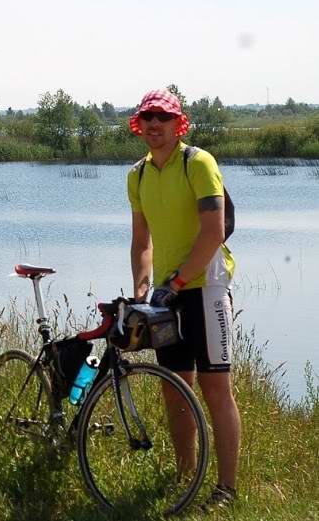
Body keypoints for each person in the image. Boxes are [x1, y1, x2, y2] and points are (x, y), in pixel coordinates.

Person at [126, 88, 241, 510]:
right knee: (175, 389)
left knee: (215, 389)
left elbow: (212, 234)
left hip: (205, 288)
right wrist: (143, 290)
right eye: (147, 118)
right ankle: (184, 479)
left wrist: (175, 284)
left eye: (163, 117)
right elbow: (141, 242)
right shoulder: (137, 175)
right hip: (165, 296)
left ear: (179, 124)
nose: (155, 125)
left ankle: (226, 488)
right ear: (140, 126)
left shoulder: (198, 163)